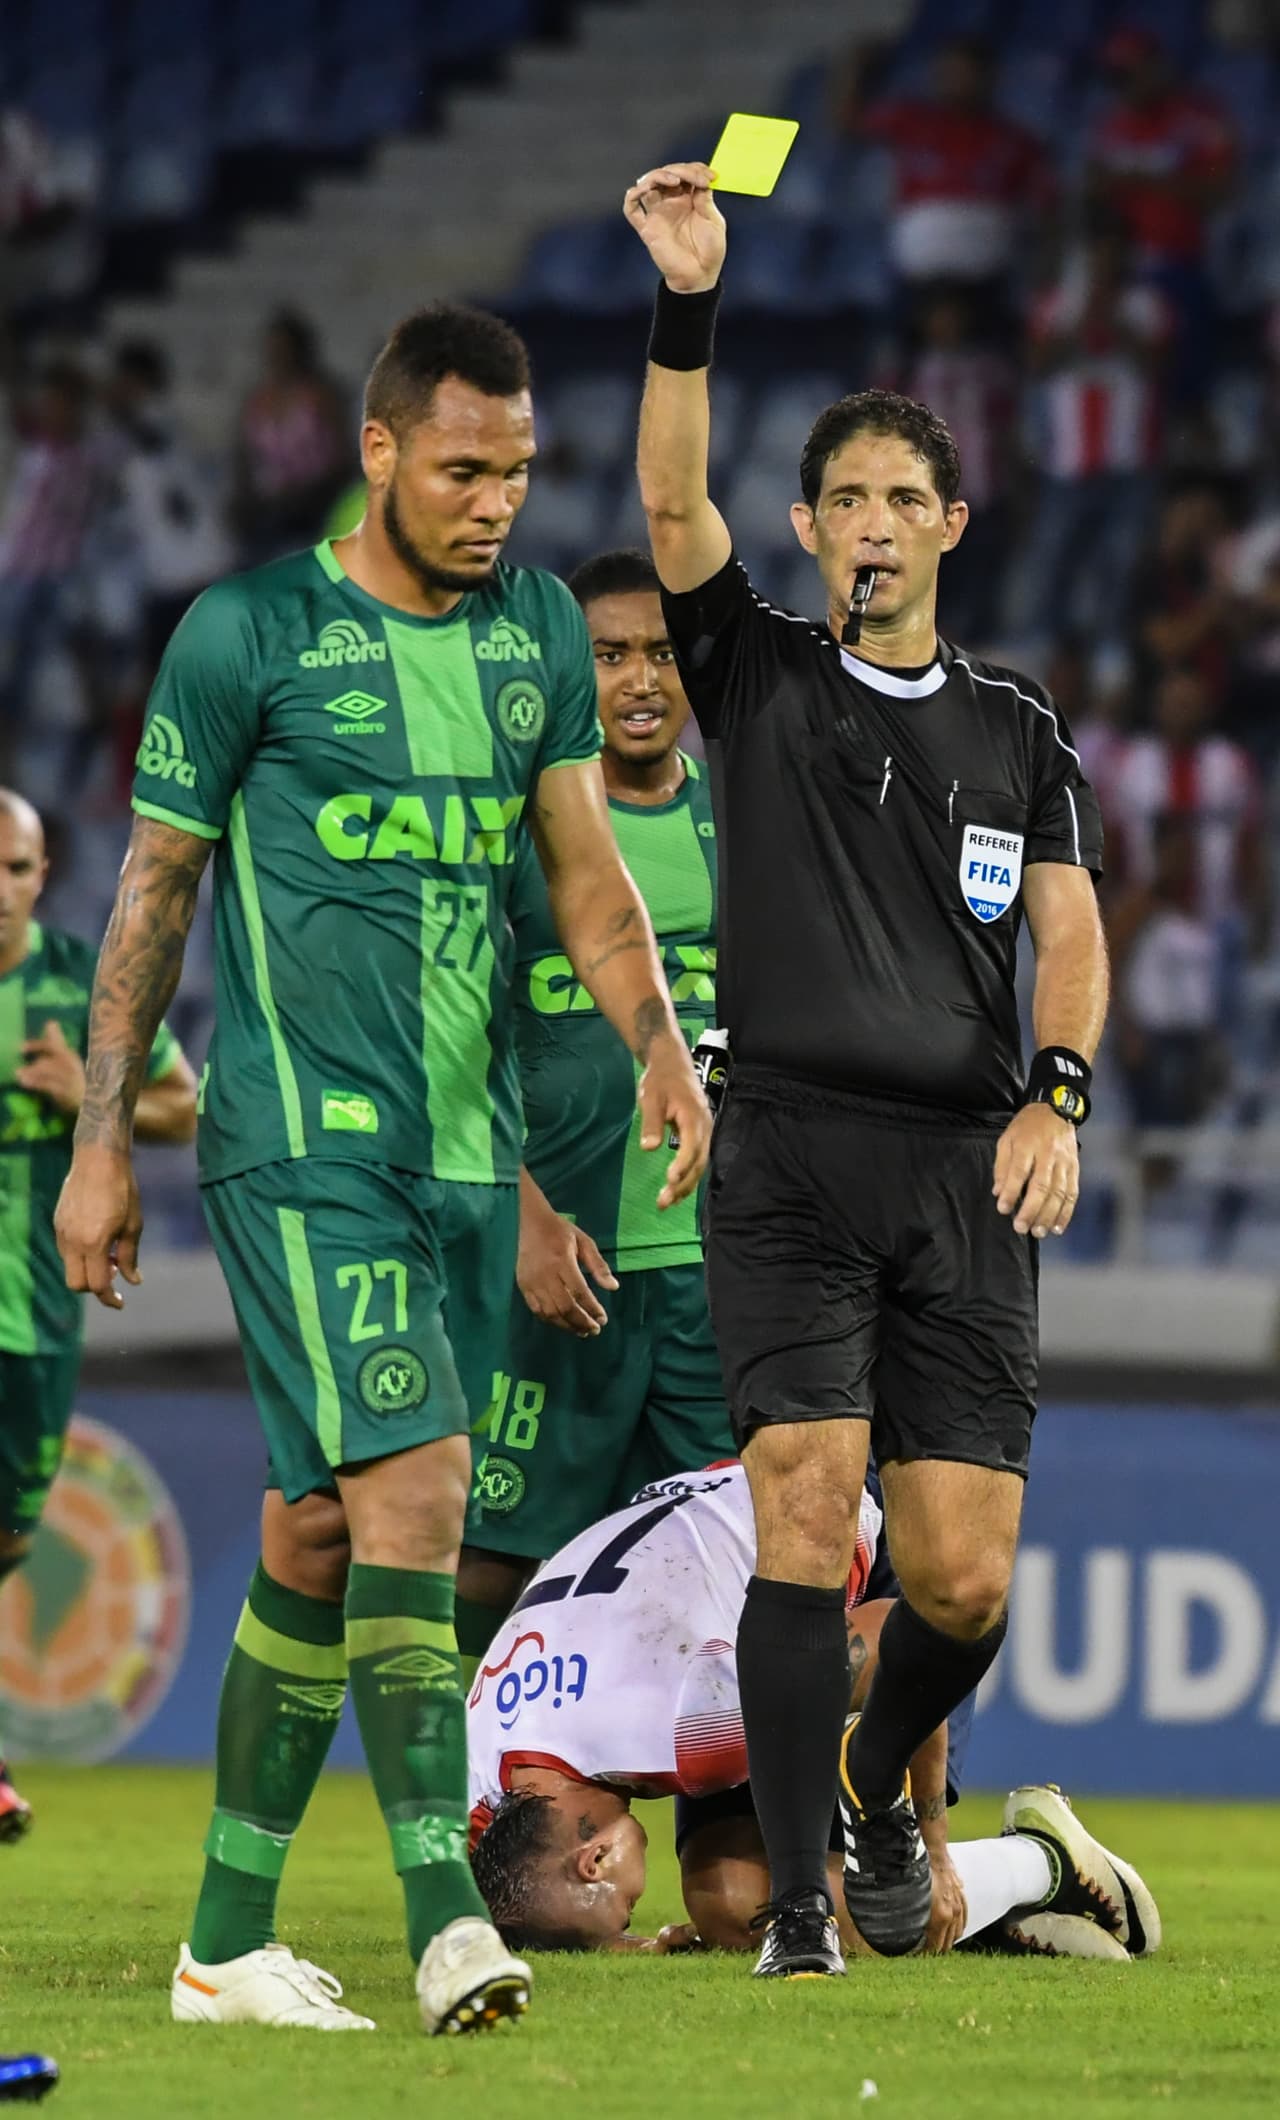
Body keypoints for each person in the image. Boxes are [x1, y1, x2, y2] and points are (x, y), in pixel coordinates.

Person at [53, 303, 710, 2038]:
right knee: (417, 1490)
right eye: (466, 467)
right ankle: (446, 1921)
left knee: (321, 1526)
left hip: (471, 1162)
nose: (498, 500)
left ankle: (221, 1944)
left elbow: (583, 876)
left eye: (519, 471)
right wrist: (104, 1142)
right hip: (303, 1146)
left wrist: (653, 1041)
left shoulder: (540, 639)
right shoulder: (249, 632)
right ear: (380, 451)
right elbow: (151, 898)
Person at [622, 163, 1109, 1978]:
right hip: (794, 1154)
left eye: (907, 495)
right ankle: (807, 1911)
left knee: (963, 1578)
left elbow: (1069, 932)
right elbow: (670, 490)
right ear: (816, 533)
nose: (876, 523)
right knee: (808, 1507)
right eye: (847, 500)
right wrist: (690, 300)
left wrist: (1058, 1093)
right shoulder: (752, 675)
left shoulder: (1019, 728)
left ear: (953, 524)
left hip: (970, 1168)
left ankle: (877, 1758)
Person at [467, 1463, 1158, 1966]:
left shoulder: (684, 1728)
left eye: (623, 1912)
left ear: (594, 1860)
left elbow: (905, 1637)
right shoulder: (482, 1776)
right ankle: (998, 1912)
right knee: (731, 1902)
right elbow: (508, 1891)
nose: (635, 1916)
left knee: (864, 1894)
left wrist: (931, 1847)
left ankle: (1039, 1862)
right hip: (718, 1540)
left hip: (848, 1526)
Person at [458, 547, 733, 1664]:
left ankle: (748, 1837)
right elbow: (451, 1040)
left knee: (748, 1567)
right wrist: (520, 1210)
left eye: (661, 651)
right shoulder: (513, 831)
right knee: (492, 1561)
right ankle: (471, 1814)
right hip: (552, 1257)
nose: (637, 679)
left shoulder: (746, 827)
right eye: (607, 653)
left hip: (712, 1272)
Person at [0, 788, 196, 1837]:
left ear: (38, 877)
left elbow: (184, 1105)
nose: (0, 890)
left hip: (32, 1309)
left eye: (17, 869)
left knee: (12, 1531)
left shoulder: (80, 981)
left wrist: (90, 1092)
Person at [231, 309, 350, 567]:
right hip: (269, 506)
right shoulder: (257, 401)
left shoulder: (321, 396)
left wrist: (308, 493)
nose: (278, 355)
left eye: (285, 348)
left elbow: (342, 458)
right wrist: (245, 500)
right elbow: (245, 460)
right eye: (273, 348)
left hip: (313, 504)